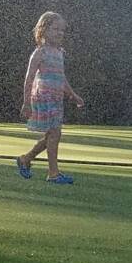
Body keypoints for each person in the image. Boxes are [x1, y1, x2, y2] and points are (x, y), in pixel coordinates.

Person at [15, 11, 84, 184]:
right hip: (43, 98)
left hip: (56, 98)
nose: (60, 33)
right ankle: (53, 173)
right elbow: (29, 78)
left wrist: (73, 95)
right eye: (56, 29)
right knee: (54, 133)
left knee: (52, 134)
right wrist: (26, 102)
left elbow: (61, 77)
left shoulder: (59, 52)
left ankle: (26, 159)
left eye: (62, 30)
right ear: (44, 30)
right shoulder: (40, 53)